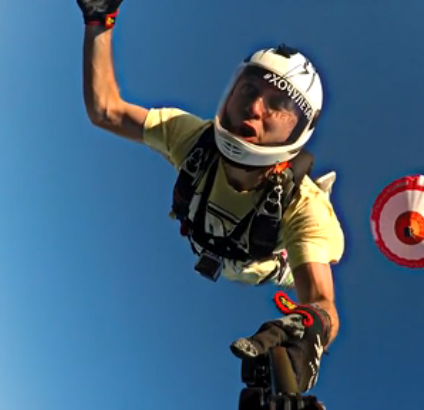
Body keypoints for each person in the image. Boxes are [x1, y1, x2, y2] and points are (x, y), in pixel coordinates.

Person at [76, 0, 346, 398]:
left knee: (313, 247)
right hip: (230, 253)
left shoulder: (302, 205)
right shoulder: (194, 138)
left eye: (278, 105)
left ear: (298, 132)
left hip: (272, 265)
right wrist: (100, 21)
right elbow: (106, 111)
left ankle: (315, 235)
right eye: (249, 89)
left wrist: (308, 332)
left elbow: (322, 299)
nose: (254, 107)